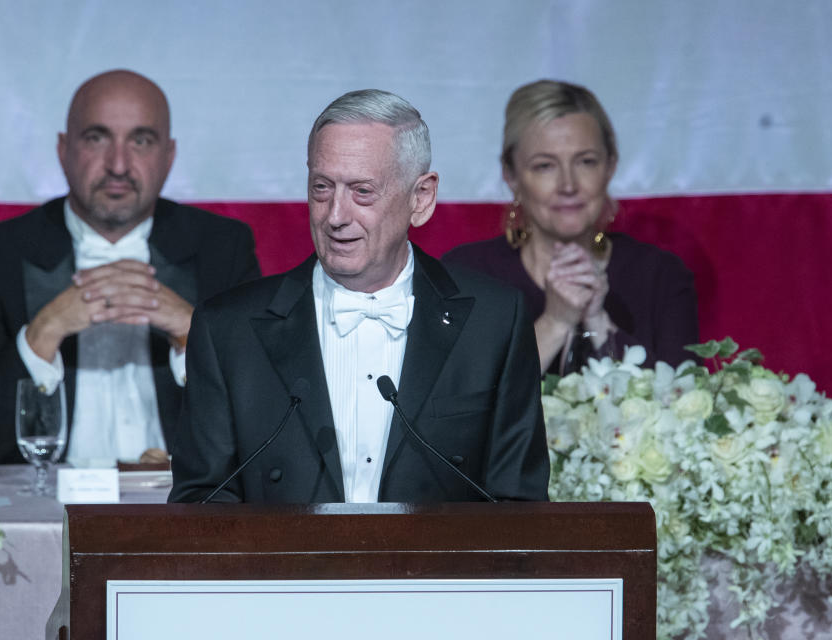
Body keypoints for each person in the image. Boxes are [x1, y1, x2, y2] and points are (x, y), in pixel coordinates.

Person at [169, 89, 549, 504]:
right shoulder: (228, 330)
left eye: (361, 191)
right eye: (322, 188)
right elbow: (201, 506)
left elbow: (518, 508)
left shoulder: (492, 322)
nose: (335, 215)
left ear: (420, 199)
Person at [0, 70, 260, 465]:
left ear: (169, 156)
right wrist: (43, 334)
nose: (118, 164)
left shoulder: (222, 249)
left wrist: (195, 337)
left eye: (141, 141)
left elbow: (266, 427)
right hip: (43, 510)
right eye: (97, 138)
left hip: (183, 510)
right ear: (63, 150)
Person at [444, 80, 698, 374]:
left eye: (586, 162)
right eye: (544, 166)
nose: (568, 185)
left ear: (610, 167)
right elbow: (463, 408)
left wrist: (599, 322)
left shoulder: (660, 275)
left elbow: (681, 405)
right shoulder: (465, 275)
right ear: (511, 175)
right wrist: (556, 321)